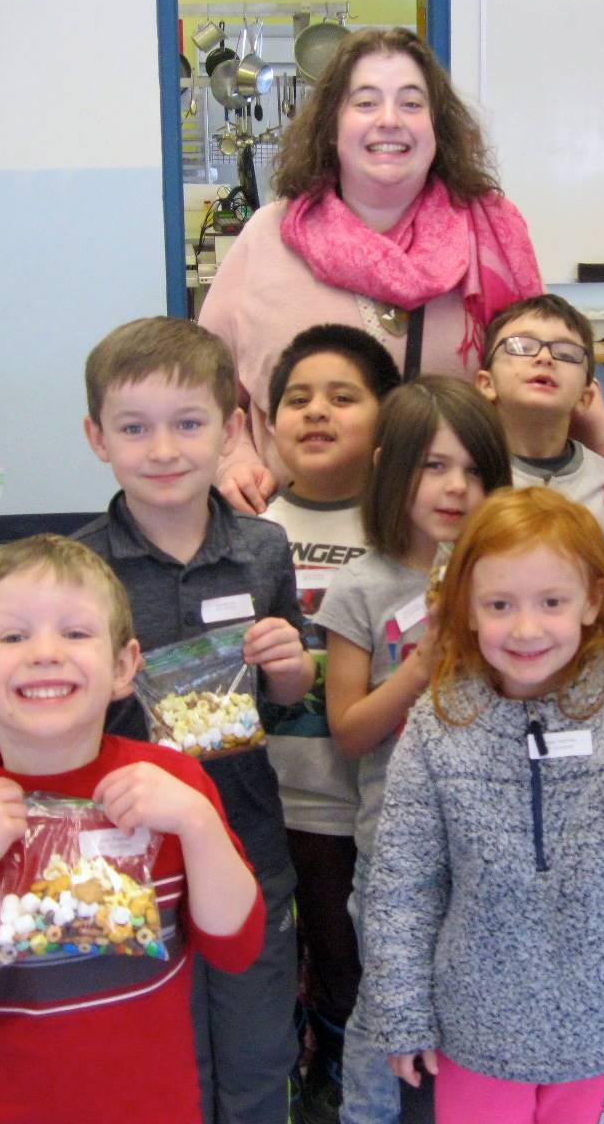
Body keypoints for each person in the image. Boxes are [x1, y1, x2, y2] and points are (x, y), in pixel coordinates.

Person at [363, 486, 604, 1124]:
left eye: (552, 602)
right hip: (478, 1028)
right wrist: (400, 1010)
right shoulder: (436, 722)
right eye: (500, 604)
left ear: (591, 600)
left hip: (603, 1023)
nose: (527, 628)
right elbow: (403, 884)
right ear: (469, 610)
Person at [0, 535, 265, 1122]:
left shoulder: (172, 785)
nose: (45, 653)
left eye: (75, 632)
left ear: (123, 666)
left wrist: (196, 822)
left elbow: (236, 946)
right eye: (14, 636)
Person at [197, 27, 604, 516]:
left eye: (411, 104)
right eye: (365, 103)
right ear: (331, 125)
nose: (389, 121)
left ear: (438, 126)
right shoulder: (269, 237)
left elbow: (543, 353)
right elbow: (207, 384)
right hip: (299, 536)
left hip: (458, 533)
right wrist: (232, 456)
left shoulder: (491, 236)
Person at [73, 316, 316, 1124]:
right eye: (134, 428)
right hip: (125, 855)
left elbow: (284, 699)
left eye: (188, 424)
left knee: (257, 1052)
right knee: (159, 1061)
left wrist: (291, 668)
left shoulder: (263, 550)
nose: (165, 449)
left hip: (246, 839)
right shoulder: (77, 568)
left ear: (232, 429)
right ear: (96, 437)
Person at [315, 376, 512, 1124]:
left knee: (472, 1005)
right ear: (393, 470)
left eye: (473, 469)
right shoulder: (361, 586)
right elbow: (350, 730)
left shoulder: (504, 576)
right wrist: (421, 669)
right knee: (384, 1009)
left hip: (486, 843)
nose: (456, 487)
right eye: (433, 465)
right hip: (392, 844)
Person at [261, 324, 402, 1121]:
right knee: (273, 978)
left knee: (353, 972)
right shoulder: (245, 529)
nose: (316, 413)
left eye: (343, 398)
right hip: (264, 803)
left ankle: (346, 1089)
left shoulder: (400, 532)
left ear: (388, 420)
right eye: (297, 399)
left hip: (359, 810)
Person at [474, 292, 604, 533]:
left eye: (566, 353)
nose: (544, 357)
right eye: (521, 346)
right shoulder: (469, 480)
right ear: (487, 384)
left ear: (585, 397)